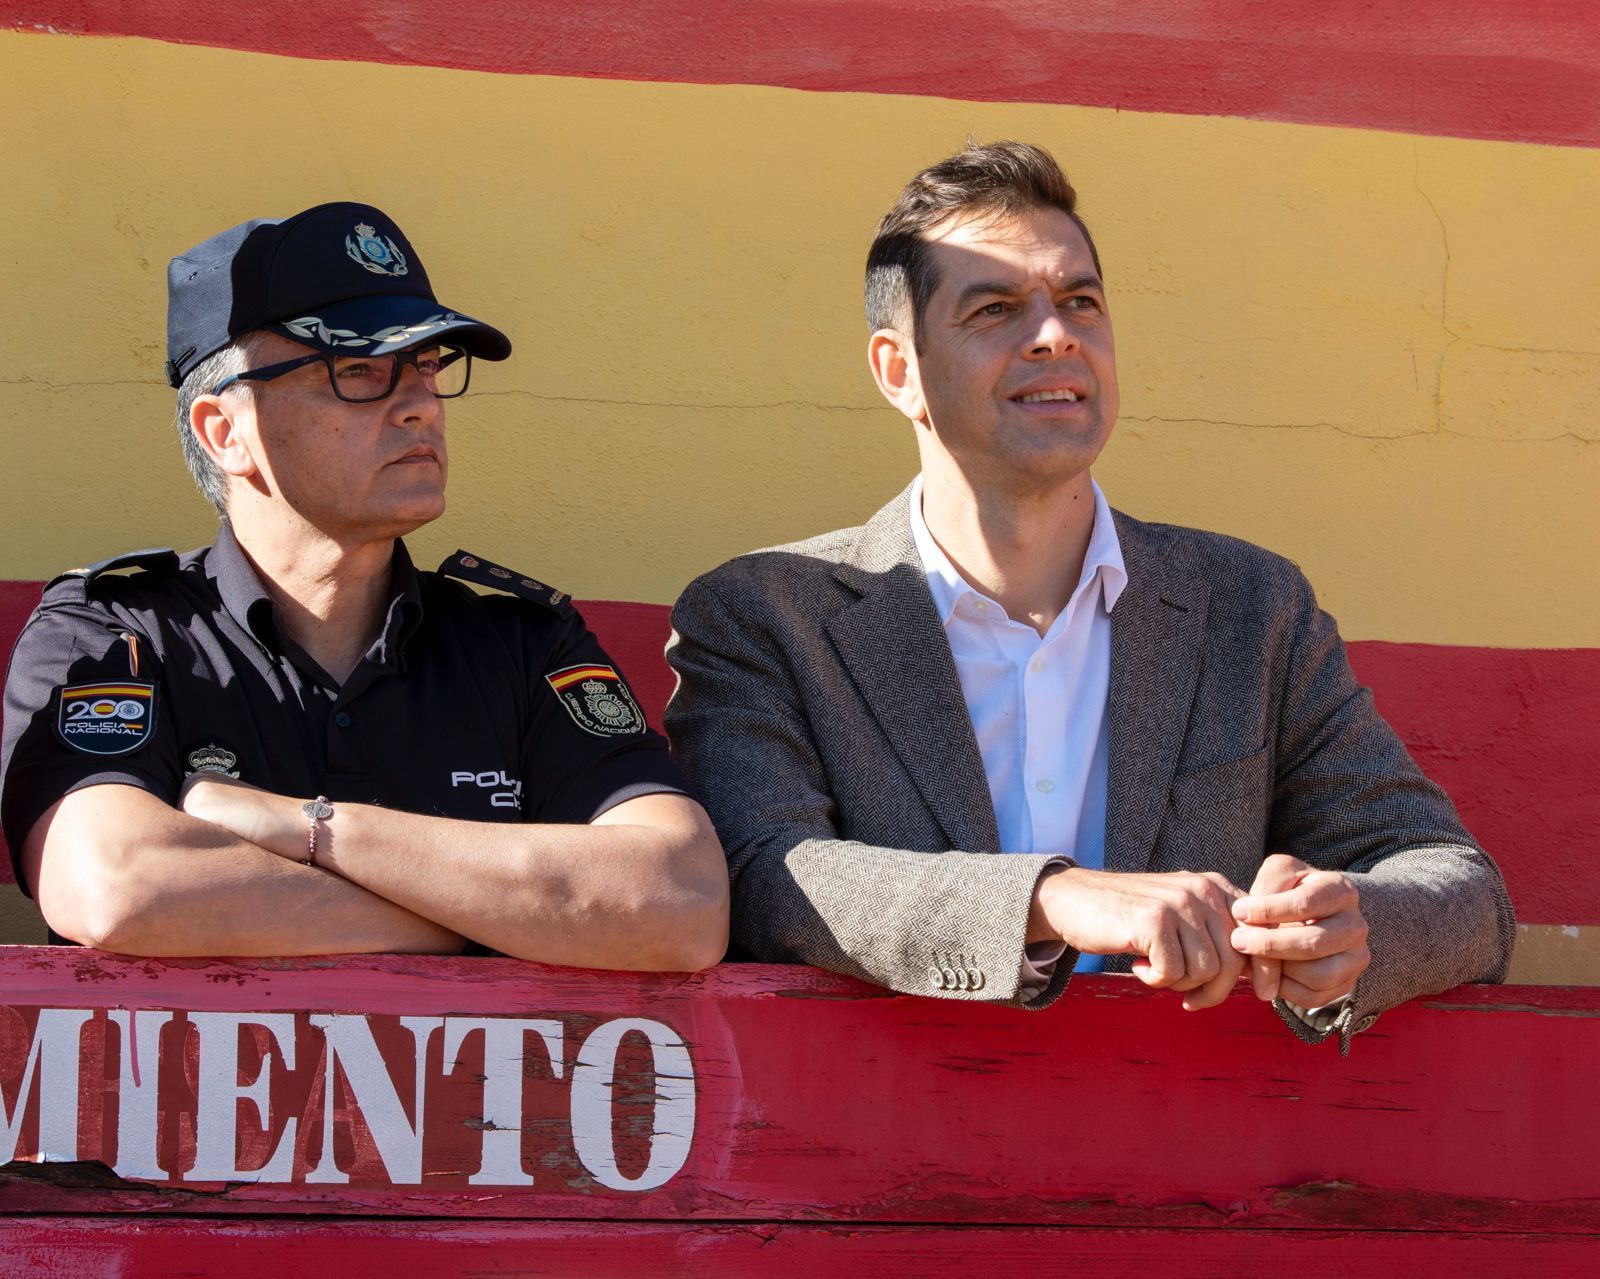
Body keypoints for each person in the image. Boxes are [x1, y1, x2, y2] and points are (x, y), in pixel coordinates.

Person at [664, 141, 1513, 1048]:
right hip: (877, 1164)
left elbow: (1463, 888)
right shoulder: (765, 612)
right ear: (898, 370)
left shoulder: (1251, 608)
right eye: (995, 308)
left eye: (1080, 302)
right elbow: (766, 878)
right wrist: (1052, 898)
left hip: (1194, 1159)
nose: (1055, 333)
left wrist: (1352, 926)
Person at [0, 201, 727, 969]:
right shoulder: (116, 632)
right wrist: (473, 915)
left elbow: (683, 900)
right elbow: (116, 883)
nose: (420, 405)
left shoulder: (522, 647)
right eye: (358, 371)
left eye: (427, 368)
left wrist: (308, 828)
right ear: (227, 432)